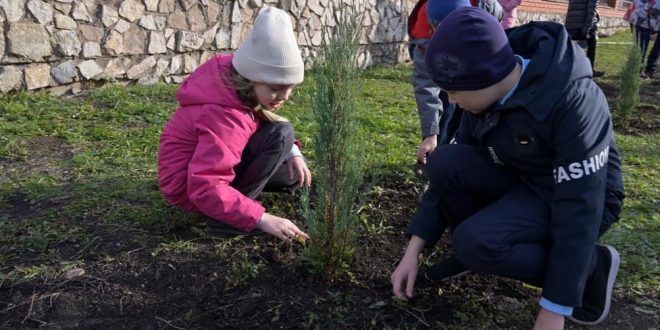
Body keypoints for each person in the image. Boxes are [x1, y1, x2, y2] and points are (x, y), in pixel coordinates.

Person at [391, 7, 625, 329]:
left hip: (582, 196)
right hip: (522, 175)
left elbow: (580, 203)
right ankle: (482, 249)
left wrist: (554, 307)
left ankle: (590, 271)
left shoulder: (573, 98)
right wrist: (413, 249)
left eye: (454, 91)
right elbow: (456, 163)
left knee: (476, 242)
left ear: (488, 77)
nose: (452, 100)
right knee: (445, 161)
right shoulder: (481, 93)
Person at [158, 6, 311, 242]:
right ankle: (226, 221)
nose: (285, 96)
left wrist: (293, 152)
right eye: (276, 88)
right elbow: (205, 187)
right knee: (281, 134)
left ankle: (237, 201)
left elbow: (256, 122)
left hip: (196, 173)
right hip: (190, 189)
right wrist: (263, 218)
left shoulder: (235, 82)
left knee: (290, 174)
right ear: (252, 79)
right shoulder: (226, 116)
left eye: (291, 88)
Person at [411, 0, 503, 168]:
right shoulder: (424, 33)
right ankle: (437, 153)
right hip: (434, 48)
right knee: (448, 104)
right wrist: (430, 134)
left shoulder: (487, 11)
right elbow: (426, 87)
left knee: (472, 104)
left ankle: (470, 154)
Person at [565, 0, 605, 77]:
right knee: (591, 47)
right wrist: (586, 29)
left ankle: (567, 70)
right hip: (583, 26)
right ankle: (589, 70)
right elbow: (591, 11)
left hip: (571, 24)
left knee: (570, 48)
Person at [626, 0, 660, 79]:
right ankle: (635, 73)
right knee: (641, 47)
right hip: (640, 18)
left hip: (642, 17)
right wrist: (654, 31)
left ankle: (644, 70)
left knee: (640, 46)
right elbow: (653, 12)